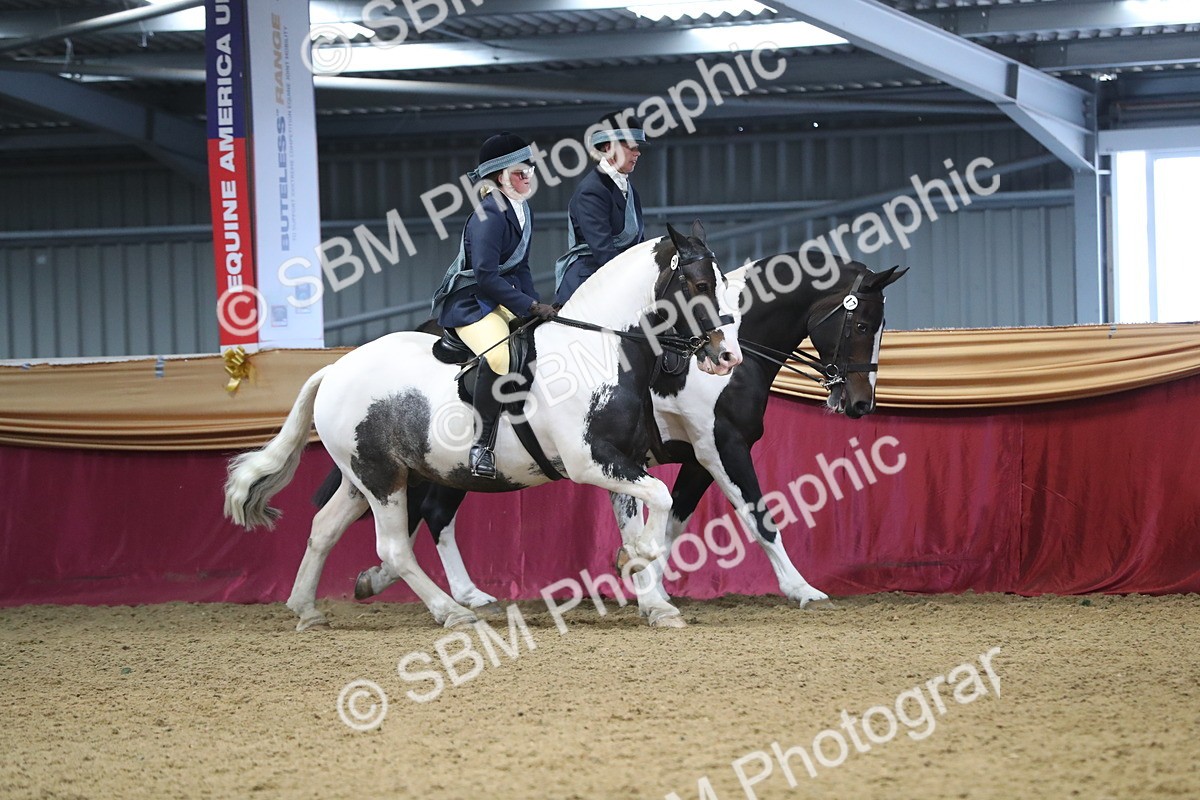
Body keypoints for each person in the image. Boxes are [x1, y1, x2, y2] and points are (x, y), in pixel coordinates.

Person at [431, 132, 557, 480]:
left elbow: (521, 266)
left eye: (530, 169)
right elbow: (486, 275)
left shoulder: (522, 209)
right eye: (520, 172)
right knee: (499, 356)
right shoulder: (489, 214)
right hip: (473, 301)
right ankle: (482, 445)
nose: (528, 176)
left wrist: (534, 306)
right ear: (501, 177)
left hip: (501, 297)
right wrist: (527, 304)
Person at [553, 114, 649, 305]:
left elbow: (638, 243)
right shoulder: (592, 191)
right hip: (591, 278)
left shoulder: (631, 191)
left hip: (620, 275)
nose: (637, 153)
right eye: (631, 147)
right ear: (608, 148)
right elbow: (603, 252)